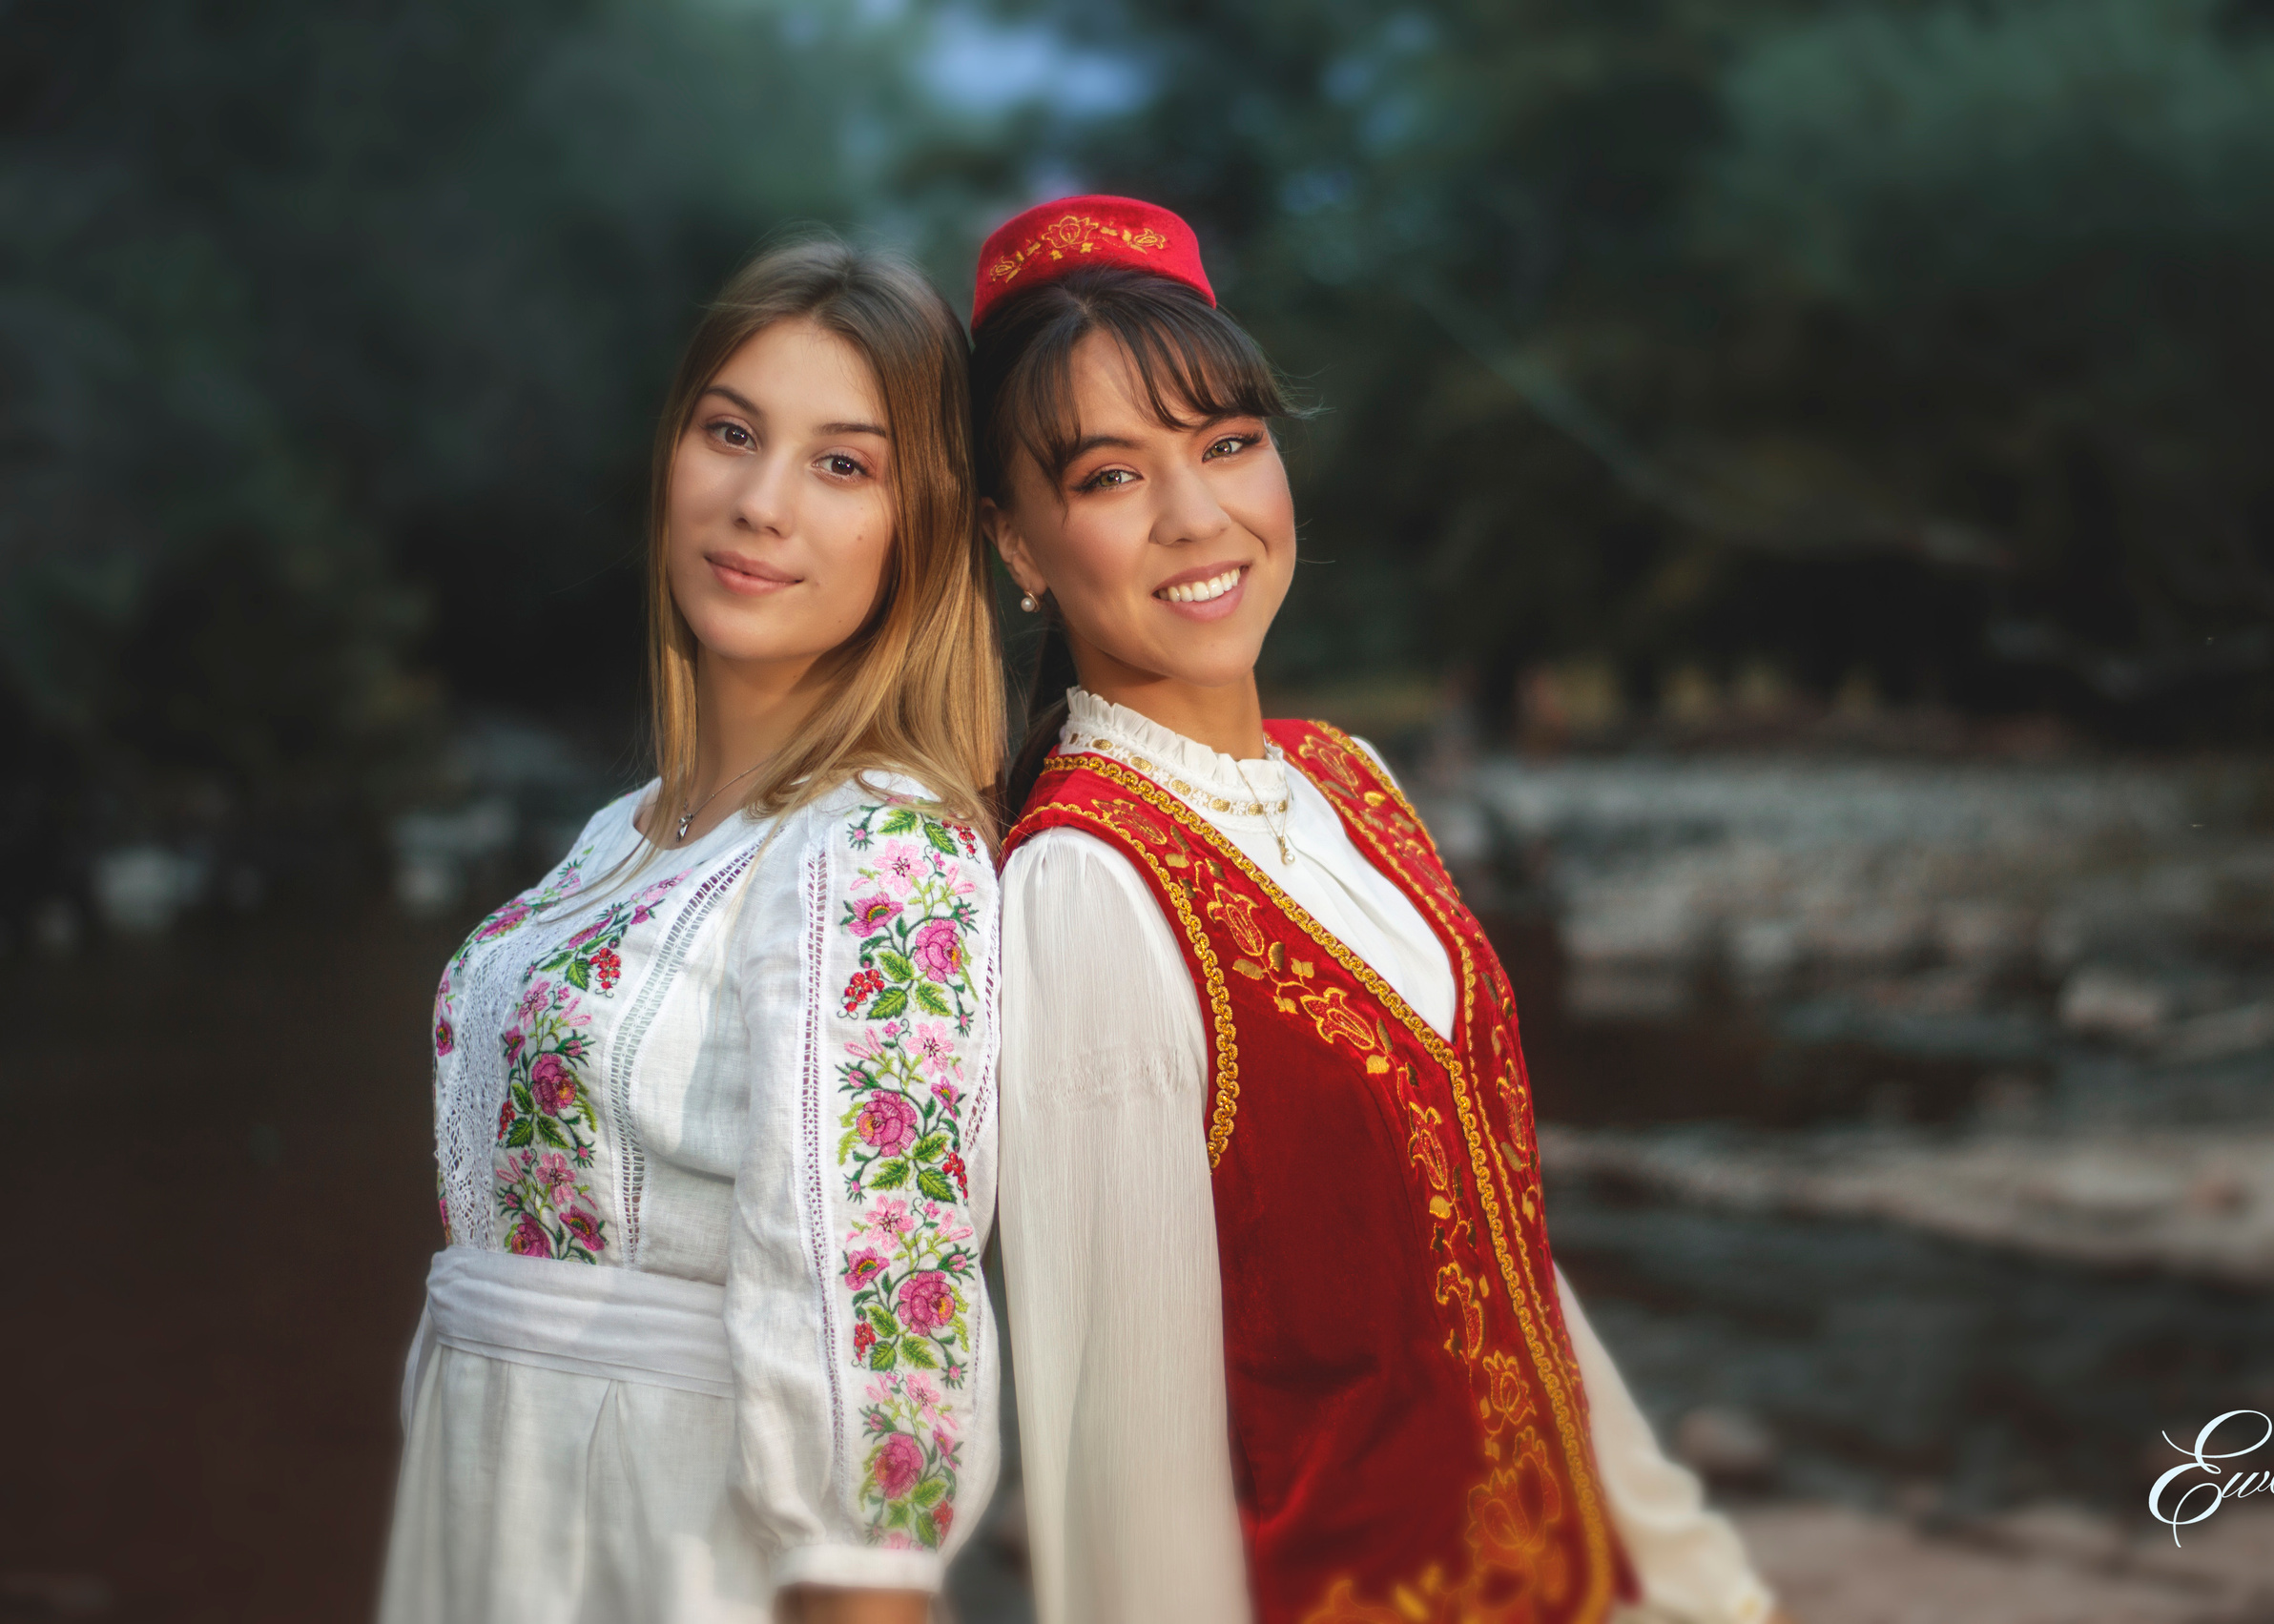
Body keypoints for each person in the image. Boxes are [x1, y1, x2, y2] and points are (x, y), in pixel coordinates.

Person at [982, 196, 1785, 1624]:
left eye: (1229, 445)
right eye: (1112, 477)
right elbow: (1129, 1468)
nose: (1197, 516)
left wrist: (1695, 1572)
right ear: (1021, 547)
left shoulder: (1347, 778)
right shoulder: (1085, 889)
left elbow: (1508, 1251)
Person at [379, 238, 1004, 1624]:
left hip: (676, 1549)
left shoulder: (884, 851)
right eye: (731, 432)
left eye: (844, 464)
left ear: (927, 528)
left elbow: (881, 1382)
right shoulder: (623, 832)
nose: (759, 503)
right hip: (499, 1525)